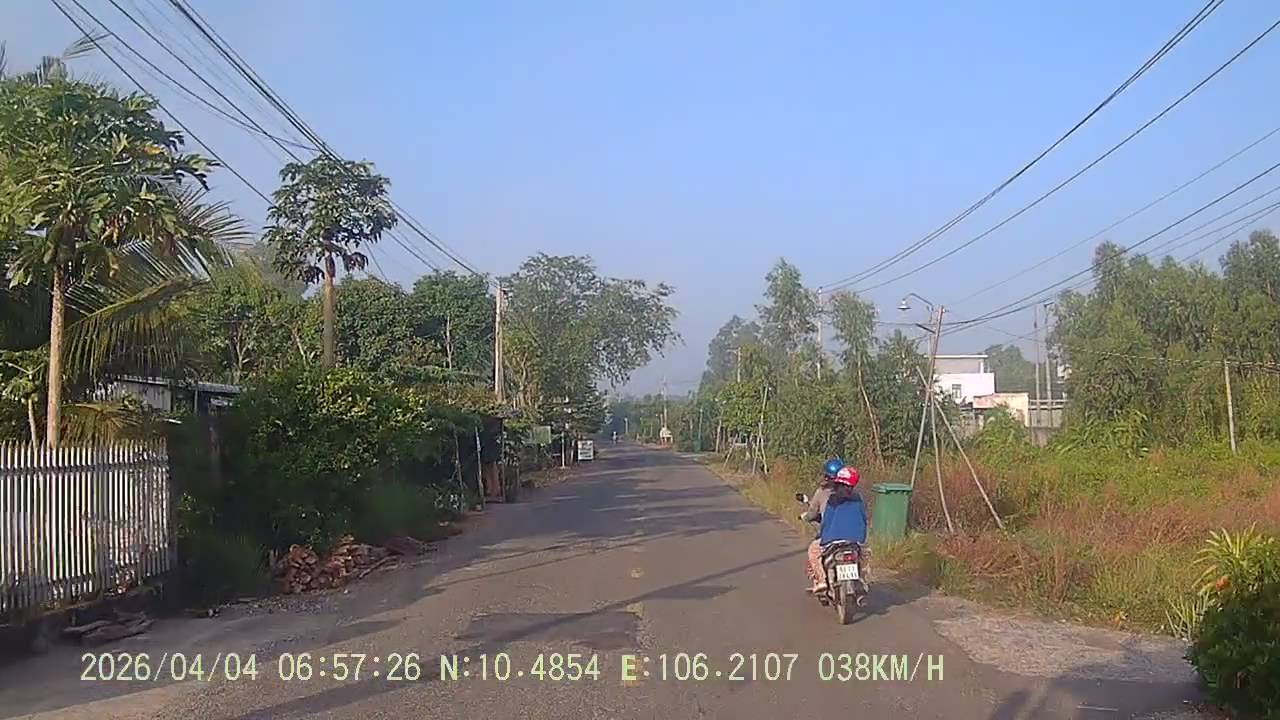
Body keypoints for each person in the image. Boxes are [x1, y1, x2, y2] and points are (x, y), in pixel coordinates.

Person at [806, 466, 869, 593]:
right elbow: (863, 519)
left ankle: (821, 580)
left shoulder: (831, 499)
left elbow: (826, 522)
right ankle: (862, 579)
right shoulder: (858, 499)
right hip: (855, 540)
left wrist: (823, 537)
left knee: (813, 550)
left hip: (833, 539)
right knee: (864, 556)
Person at [800, 458, 844, 587]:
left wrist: (806, 517)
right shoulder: (851, 493)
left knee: (813, 552)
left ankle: (821, 580)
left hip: (830, 536)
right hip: (851, 536)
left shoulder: (822, 492)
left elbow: (812, 513)